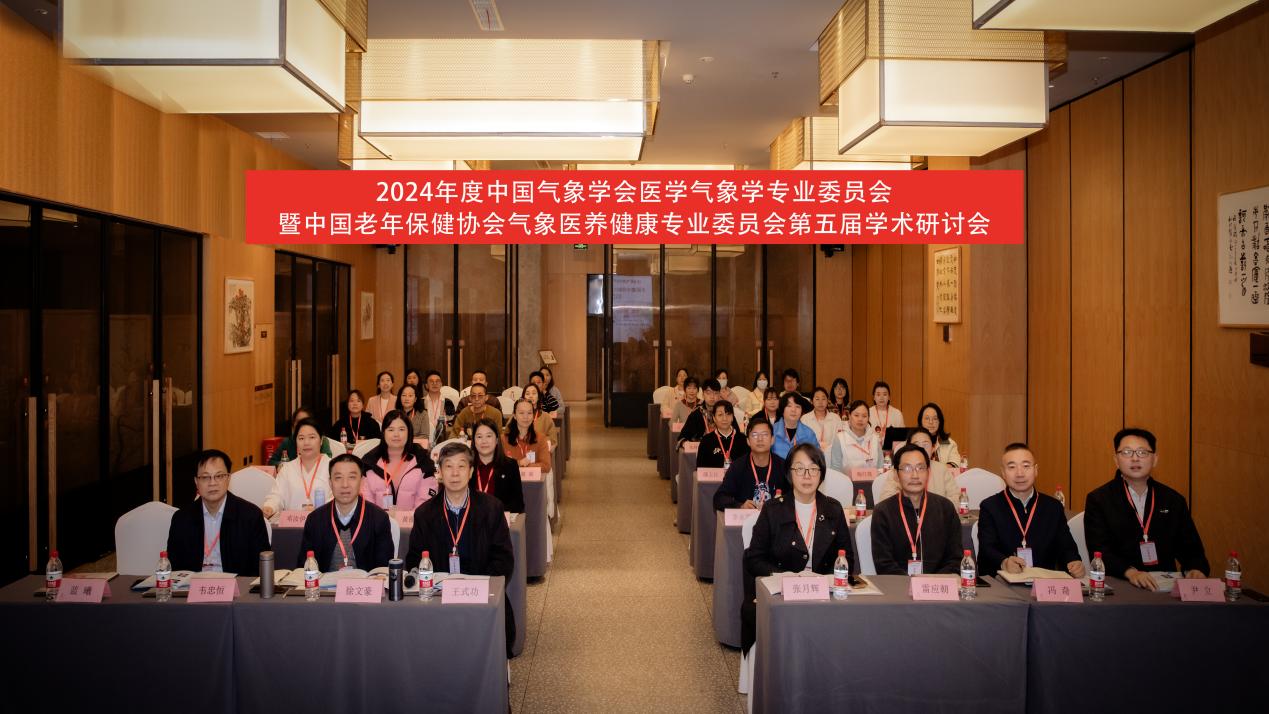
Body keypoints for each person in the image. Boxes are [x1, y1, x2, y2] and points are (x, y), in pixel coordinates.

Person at [741, 443, 855, 653]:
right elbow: (754, 559)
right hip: (782, 595)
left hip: (823, 595)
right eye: (800, 468)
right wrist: (785, 576)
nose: (807, 476)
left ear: (821, 474)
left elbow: (847, 559)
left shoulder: (833, 509)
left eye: (813, 469)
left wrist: (825, 582)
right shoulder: (773, 509)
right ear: (789, 473)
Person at [406, 442, 516, 658]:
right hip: (438, 599)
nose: (455, 473)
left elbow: (503, 560)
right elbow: (414, 560)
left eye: (461, 466)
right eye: (448, 466)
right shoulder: (424, 513)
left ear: (471, 471)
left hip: (480, 597)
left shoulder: (492, 508)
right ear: (439, 472)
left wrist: (475, 587)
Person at [1084, 428, 1208, 590]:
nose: (1135, 458)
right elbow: (1100, 551)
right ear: (1116, 460)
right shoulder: (1099, 500)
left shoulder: (1173, 500)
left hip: (1165, 588)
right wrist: (1130, 572)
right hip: (1121, 584)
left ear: (1155, 459)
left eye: (1142, 452)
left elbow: (1192, 549)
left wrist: (1196, 569)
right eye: (1127, 452)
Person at [977, 443, 1084, 578]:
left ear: (1036, 470)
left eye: (1026, 466)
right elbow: (987, 549)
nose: (1020, 473)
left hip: (1045, 583)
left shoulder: (1053, 507)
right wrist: (1004, 562)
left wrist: (1074, 562)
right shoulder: (990, 506)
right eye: (1012, 467)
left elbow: (1066, 547)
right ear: (1003, 473)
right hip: (1005, 581)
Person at [166, 449, 270, 575]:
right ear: (196, 482)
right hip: (194, 585)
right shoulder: (181, 519)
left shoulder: (250, 516)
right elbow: (175, 569)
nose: (212, 483)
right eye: (205, 477)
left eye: (219, 476)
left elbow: (260, 569)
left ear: (228, 478)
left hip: (236, 585)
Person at [870, 444, 962, 575]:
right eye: (907, 468)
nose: (915, 475)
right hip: (898, 585)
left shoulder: (945, 508)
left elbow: (955, 559)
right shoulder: (883, 512)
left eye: (920, 468)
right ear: (896, 475)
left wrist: (931, 583)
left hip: (939, 585)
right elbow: (884, 564)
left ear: (928, 472)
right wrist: (913, 583)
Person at [296, 454, 395, 571]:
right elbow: (304, 567)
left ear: (362, 482)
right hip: (324, 583)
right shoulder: (315, 519)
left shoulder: (378, 518)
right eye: (338, 478)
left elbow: (383, 569)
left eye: (352, 477)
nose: (345, 485)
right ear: (330, 483)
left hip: (365, 582)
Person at [360, 410, 438, 512]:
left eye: (401, 429)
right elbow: (366, 503)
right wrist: (381, 520)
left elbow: (425, 505)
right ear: (383, 433)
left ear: (409, 432)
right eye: (391, 429)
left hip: (414, 521)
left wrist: (406, 520)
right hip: (378, 522)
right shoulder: (369, 463)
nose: (396, 434)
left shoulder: (423, 462)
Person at [262, 418, 331, 518]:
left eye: (312, 437)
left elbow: (337, 498)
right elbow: (277, 495)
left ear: (321, 441)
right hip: (292, 523)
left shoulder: (332, 467)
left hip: (323, 522)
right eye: (301, 438)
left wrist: (321, 511)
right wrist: (270, 507)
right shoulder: (287, 469)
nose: (306, 442)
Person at [714, 419, 789, 510]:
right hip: (746, 518)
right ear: (748, 441)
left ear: (772, 440)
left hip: (775, 517)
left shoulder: (783, 466)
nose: (760, 439)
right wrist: (740, 506)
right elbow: (719, 498)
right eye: (754, 435)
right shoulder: (737, 467)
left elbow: (794, 497)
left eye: (765, 434)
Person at [876, 427, 959, 503]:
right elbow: (885, 500)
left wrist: (937, 511)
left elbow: (955, 499)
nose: (921, 449)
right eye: (916, 444)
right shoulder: (899, 468)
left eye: (925, 444)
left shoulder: (942, 469)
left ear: (933, 448)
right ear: (908, 447)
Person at [469, 418, 525, 513]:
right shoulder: (466, 467)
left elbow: (518, 504)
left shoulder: (510, 465)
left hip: (500, 518)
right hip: (472, 519)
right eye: (479, 437)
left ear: (497, 440)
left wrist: (494, 512)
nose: (484, 441)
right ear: (474, 441)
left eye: (488, 436)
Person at [829, 400, 881, 474]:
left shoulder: (875, 438)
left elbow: (880, 467)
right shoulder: (839, 439)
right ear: (849, 416)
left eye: (864, 416)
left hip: (873, 480)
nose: (860, 419)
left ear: (868, 418)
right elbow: (835, 469)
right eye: (856, 415)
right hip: (846, 481)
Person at [503, 398, 552, 473]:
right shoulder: (503, 439)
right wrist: (518, 463)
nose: (525, 416)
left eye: (529, 413)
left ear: (533, 416)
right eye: (521, 413)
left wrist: (526, 466)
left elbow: (546, 466)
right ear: (514, 416)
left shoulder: (541, 438)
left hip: (533, 479)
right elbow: (498, 465)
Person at [697, 401, 749, 469]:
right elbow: (700, 469)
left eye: (728, 414)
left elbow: (749, 467)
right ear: (714, 418)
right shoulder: (706, 441)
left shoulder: (743, 439)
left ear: (732, 417)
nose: (724, 418)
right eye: (720, 415)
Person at [771, 392, 818, 460]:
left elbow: (817, 458)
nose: (793, 410)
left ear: (802, 411)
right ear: (782, 409)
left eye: (797, 406)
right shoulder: (772, 431)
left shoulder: (809, 434)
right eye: (789, 406)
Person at [678, 378, 721, 447]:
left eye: (715, 393)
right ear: (703, 394)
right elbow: (682, 437)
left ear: (719, 395)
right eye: (708, 393)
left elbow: (735, 434)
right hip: (701, 450)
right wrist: (686, 444)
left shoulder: (725, 412)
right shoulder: (696, 414)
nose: (712, 397)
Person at [421, 370, 457, 446]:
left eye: (437, 381)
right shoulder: (421, 403)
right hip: (425, 439)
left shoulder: (448, 402)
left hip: (444, 439)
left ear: (441, 384)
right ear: (426, 385)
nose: (435, 383)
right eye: (431, 381)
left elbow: (452, 424)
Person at [800, 386, 842, 452]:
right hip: (811, 454)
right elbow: (802, 441)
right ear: (811, 401)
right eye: (817, 399)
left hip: (831, 455)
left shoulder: (836, 418)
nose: (820, 402)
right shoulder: (805, 419)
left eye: (823, 399)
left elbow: (840, 440)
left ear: (828, 401)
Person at [520, 383, 559, 448]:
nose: (531, 396)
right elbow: (507, 435)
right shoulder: (517, 416)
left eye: (534, 393)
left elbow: (553, 441)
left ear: (538, 397)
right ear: (523, 397)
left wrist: (540, 443)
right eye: (527, 394)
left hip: (540, 451)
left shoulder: (546, 417)